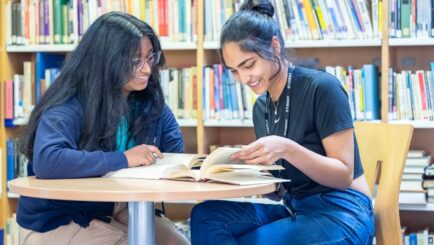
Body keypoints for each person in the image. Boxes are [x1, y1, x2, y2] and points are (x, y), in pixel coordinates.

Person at [190, 1, 374, 244]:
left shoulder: (322, 88)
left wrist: (286, 148)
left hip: (342, 209)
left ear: (274, 46)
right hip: (295, 207)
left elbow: (343, 176)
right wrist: (235, 172)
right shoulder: (261, 108)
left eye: (248, 64)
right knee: (205, 216)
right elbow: (281, 188)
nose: (244, 78)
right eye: (234, 71)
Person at [17, 12, 190, 245]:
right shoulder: (70, 104)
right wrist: (123, 159)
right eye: (134, 60)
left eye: (150, 57)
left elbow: (172, 156)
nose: (147, 69)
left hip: (121, 206)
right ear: (105, 60)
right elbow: (48, 160)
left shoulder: (148, 101)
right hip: (61, 216)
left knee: (178, 243)